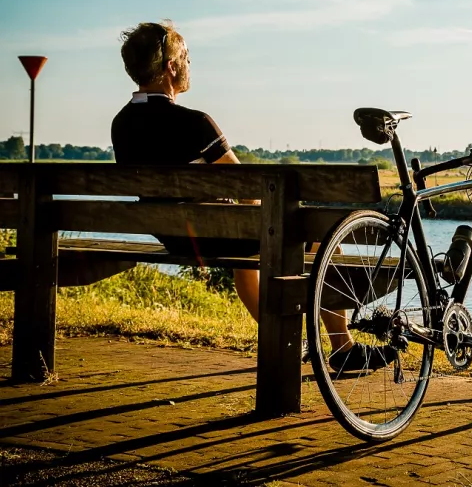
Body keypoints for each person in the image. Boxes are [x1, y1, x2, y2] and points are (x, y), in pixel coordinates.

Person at [111, 21, 394, 371]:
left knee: (247, 248)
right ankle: (341, 345)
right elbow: (248, 187)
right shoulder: (195, 122)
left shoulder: (121, 123)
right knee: (320, 239)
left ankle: (288, 339)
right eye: (184, 56)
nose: (188, 64)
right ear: (170, 67)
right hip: (216, 235)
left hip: (175, 237)